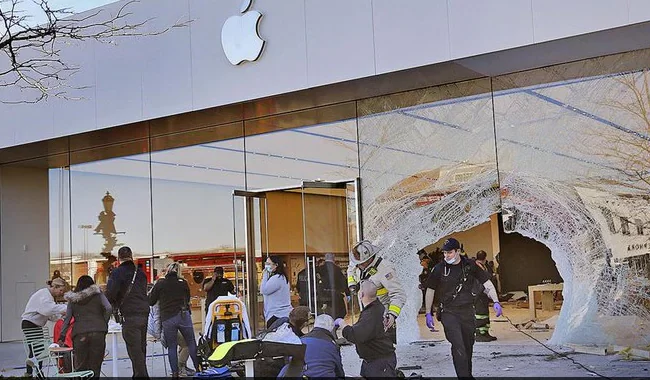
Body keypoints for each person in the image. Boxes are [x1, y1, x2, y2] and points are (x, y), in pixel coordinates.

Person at [425, 238, 503, 379]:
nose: (446, 256)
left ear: (458, 251)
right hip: (449, 312)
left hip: (467, 311)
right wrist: (428, 313)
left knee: (468, 346)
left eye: (449, 253)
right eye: (444, 253)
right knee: (458, 345)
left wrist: (496, 301)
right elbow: (430, 289)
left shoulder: (470, 265)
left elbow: (487, 283)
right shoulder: (439, 269)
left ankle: (467, 374)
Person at [347, 240, 406, 344]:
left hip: (382, 316)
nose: (358, 266)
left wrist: (392, 314)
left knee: (384, 349)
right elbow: (350, 270)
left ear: (369, 259)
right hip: (365, 313)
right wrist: (352, 285)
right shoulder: (358, 261)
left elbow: (398, 294)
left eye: (360, 264)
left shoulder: (385, 269)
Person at [149, 262, 201, 377]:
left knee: (172, 347)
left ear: (167, 271)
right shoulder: (183, 283)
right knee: (191, 342)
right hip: (183, 315)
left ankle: (175, 373)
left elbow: (151, 301)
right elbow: (187, 299)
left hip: (168, 318)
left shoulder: (160, 283)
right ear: (178, 272)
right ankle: (198, 369)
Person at [106, 246, 150, 378]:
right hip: (143, 312)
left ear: (119, 258)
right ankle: (139, 375)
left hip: (129, 314)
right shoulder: (141, 273)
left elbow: (111, 294)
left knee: (134, 350)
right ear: (131, 256)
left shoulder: (117, 273)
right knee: (141, 349)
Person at [336, 280, 396, 377]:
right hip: (375, 361)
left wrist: (342, 324)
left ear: (361, 294)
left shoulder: (371, 314)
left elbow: (355, 335)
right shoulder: (377, 308)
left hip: (379, 364)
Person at [58, 275, 112, 379]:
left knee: (81, 366)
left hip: (80, 334)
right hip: (98, 332)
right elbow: (108, 308)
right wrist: (103, 321)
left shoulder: (72, 299)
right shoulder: (98, 294)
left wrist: (62, 335)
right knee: (95, 366)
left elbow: (67, 318)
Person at [21, 277, 68, 377]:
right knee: (37, 349)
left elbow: (49, 314)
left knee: (36, 349)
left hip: (34, 324)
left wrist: (60, 316)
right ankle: (36, 372)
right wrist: (66, 308)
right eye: (60, 290)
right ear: (55, 287)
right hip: (30, 323)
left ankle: (32, 372)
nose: (61, 293)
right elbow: (48, 310)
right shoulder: (44, 295)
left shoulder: (48, 297)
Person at [278, 314, 345, 378]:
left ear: (315, 325)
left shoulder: (299, 341)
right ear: (331, 329)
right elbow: (339, 372)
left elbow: (288, 362)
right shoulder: (332, 345)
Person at [260, 256, 292, 328]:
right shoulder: (282, 277)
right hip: (282, 313)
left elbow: (263, 290)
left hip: (277, 314)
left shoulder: (276, 278)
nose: (266, 266)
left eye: (269, 263)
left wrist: (265, 275)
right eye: (266, 263)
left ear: (276, 265)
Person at [474, 250, 497, 342]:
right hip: (478, 294)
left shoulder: (483, 266)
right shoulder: (476, 267)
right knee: (480, 314)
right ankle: (480, 334)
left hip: (483, 293)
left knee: (485, 313)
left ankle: (485, 332)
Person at [318, 253, 349, 319]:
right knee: (338, 314)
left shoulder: (319, 269)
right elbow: (343, 282)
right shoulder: (337, 269)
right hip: (335, 294)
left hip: (322, 295)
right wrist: (346, 292)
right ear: (333, 258)